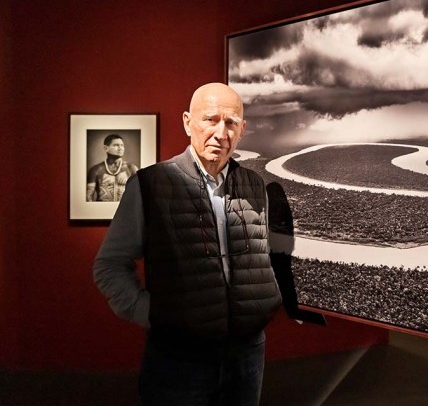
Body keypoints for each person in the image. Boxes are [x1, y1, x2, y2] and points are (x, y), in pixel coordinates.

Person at [93, 83, 282, 405]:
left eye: (231, 123)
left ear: (242, 130)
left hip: (247, 353)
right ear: (187, 122)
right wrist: (151, 313)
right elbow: (109, 265)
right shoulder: (150, 185)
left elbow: (262, 254)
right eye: (211, 119)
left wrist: (266, 301)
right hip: (179, 357)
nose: (220, 133)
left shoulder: (254, 184)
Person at [86, 134, 138, 202]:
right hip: (101, 210)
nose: (120, 148)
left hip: (125, 211)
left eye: (122, 145)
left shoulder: (132, 169)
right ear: (106, 148)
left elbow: (139, 194)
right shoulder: (95, 170)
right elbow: (89, 197)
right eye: (116, 145)